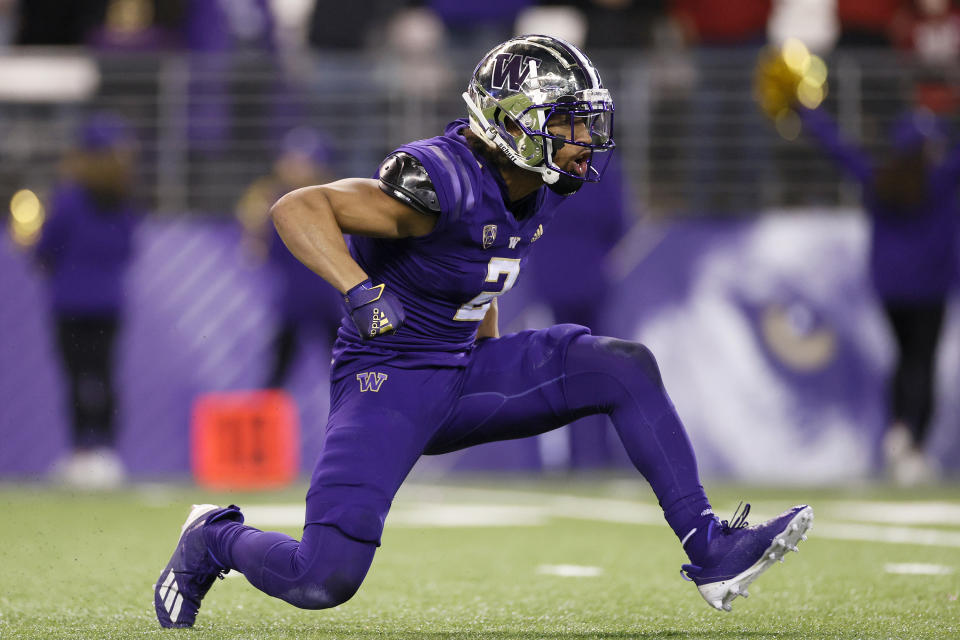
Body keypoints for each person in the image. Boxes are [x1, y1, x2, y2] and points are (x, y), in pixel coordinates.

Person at [154, 35, 812, 628]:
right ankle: (213, 538)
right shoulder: (437, 180)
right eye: (567, 122)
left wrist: (492, 352)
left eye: (585, 121)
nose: (584, 137)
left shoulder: (541, 182)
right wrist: (358, 288)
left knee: (622, 365)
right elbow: (298, 207)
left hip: (464, 373)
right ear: (514, 123)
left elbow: (481, 268)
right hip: (390, 384)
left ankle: (712, 549)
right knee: (323, 578)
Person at [757, 48, 959, 484]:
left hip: (890, 288)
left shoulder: (877, 179)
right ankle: (913, 445)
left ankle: (898, 432)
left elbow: (837, 147)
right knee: (921, 361)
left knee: (903, 358)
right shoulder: (941, 180)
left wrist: (803, 108)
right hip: (931, 287)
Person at [35, 112, 139, 489]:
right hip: (109, 302)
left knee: (76, 377)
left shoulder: (68, 198)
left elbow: (46, 249)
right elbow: (128, 249)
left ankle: (81, 453)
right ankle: (107, 454)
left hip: (69, 304)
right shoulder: (122, 199)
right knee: (106, 375)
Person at [235, 126, 344, 388]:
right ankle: (265, 427)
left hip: (329, 301)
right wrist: (255, 225)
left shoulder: (336, 200)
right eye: (290, 160)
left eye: (303, 162)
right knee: (276, 377)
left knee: (347, 374)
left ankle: (360, 425)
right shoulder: (270, 203)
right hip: (293, 303)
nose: (294, 167)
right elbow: (256, 253)